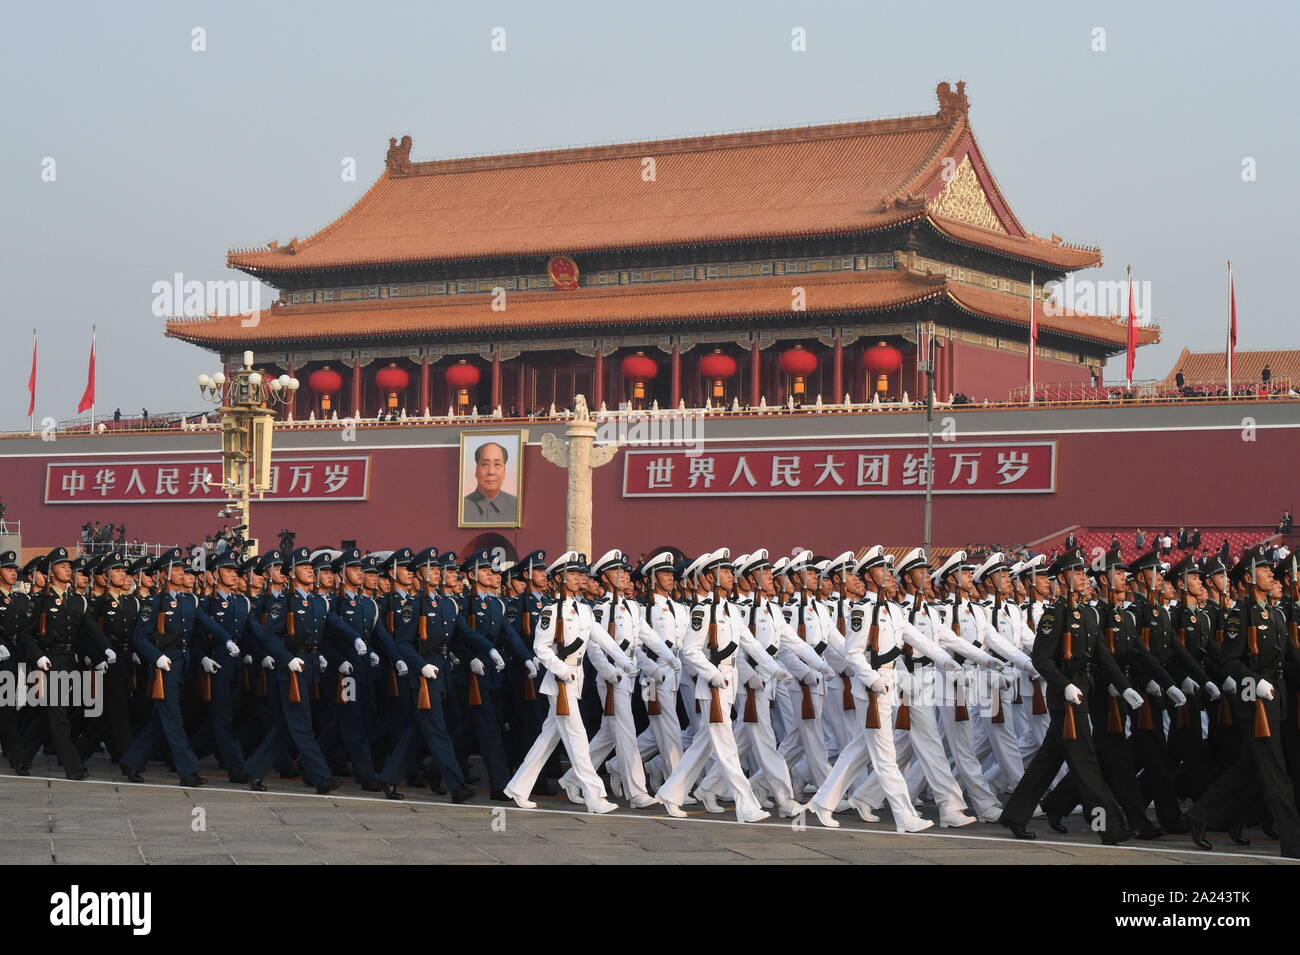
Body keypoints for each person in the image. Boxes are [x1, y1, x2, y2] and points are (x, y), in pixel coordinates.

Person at [997, 547, 1143, 844]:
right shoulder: (1054, 614)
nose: (1083, 577)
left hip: (1083, 690)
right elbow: (1042, 659)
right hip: (1065, 695)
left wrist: (1124, 686)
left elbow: (1103, 657)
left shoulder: (1088, 613)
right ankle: (1110, 828)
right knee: (1085, 761)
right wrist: (1064, 684)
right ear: (1063, 578)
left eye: (1082, 572)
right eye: (1076, 572)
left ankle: (1014, 815)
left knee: (1048, 760)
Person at [505, 551, 634, 813]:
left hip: (575, 679)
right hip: (559, 681)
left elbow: (603, 640)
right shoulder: (552, 611)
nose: (580, 578)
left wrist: (624, 662)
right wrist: (561, 670)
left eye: (581, 574)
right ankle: (594, 796)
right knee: (577, 737)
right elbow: (541, 648)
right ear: (559, 579)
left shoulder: (584, 610)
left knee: (548, 738)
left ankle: (517, 787)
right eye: (573, 574)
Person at [462, 441, 517, 523]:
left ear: (504, 471)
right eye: (485, 464)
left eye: (497, 464)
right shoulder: (461, 507)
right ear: (476, 470)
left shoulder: (517, 506)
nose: (491, 471)